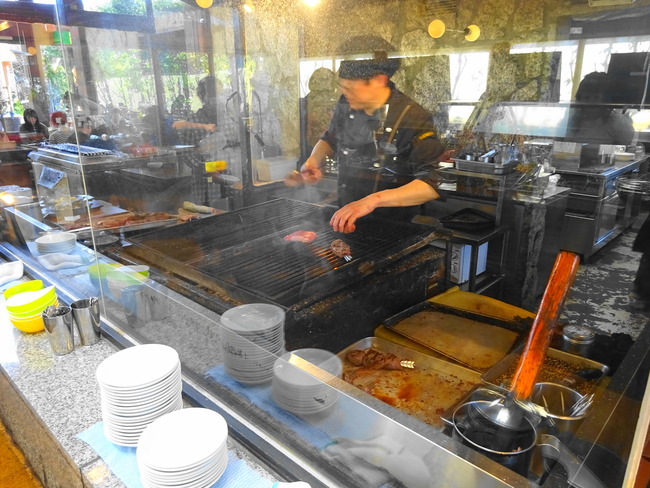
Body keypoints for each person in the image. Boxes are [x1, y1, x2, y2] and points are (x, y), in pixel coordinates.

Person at [288, 53, 444, 233]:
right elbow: (331, 139)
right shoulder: (347, 102)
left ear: (379, 80)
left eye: (351, 88)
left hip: (394, 227)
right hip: (346, 217)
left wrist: (372, 201)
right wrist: (314, 160)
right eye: (342, 87)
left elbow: (431, 183)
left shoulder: (412, 116)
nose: (345, 94)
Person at [565, 71, 636, 147]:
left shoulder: (619, 124)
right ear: (579, 99)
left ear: (607, 100)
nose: (590, 102)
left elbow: (627, 152)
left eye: (596, 97)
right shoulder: (571, 121)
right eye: (586, 97)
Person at [176, 76, 218, 147]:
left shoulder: (230, 119)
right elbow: (187, 153)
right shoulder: (192, 122)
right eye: (211, 95)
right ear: (201, 97)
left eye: (217, 94)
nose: (214, 99)